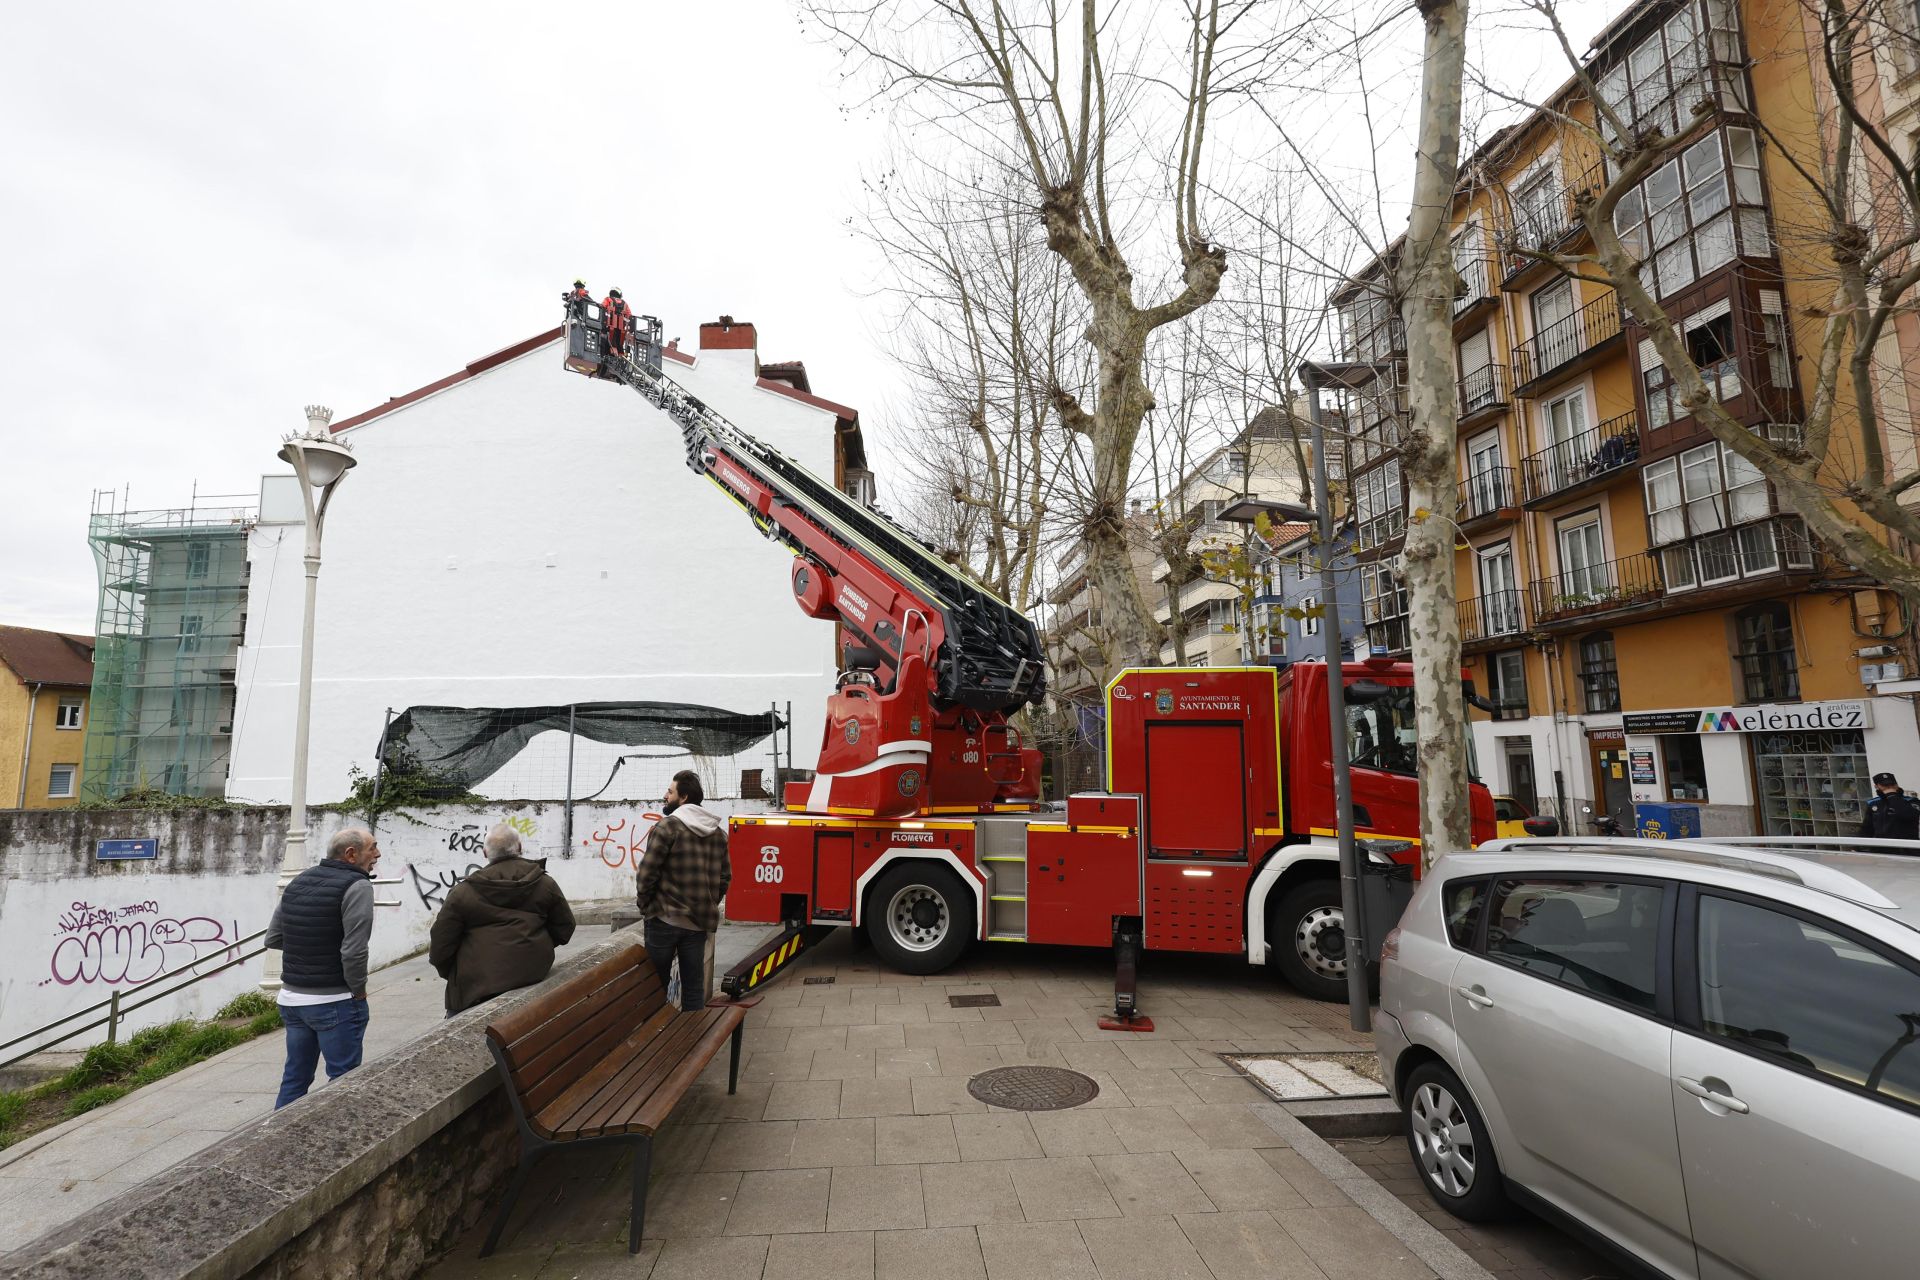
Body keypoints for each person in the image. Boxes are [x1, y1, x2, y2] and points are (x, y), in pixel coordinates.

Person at [265, 827, 379, 1109]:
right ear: (351, 854)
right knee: (344, 1081)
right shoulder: (358, 885)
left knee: (295, 1079)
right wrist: (358, 991)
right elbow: (353, 950)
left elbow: (274, 938)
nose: (377, 854)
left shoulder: (298, 882)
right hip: (334, 1001)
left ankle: (279, 1144)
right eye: (372, 848)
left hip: (291, 1000)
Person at [429, 824, 578, 1015]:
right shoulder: (544, 883)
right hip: (532, 973)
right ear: (520, 847)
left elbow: (440, 946)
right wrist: (533, 945)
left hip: (476, 989)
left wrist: (456, 972)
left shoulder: (463, 892)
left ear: (484, 853)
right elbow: (565, 927)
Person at [635, 770, 729, 1010]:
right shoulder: (718, 834)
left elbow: (647, 873)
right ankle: (694, 1040)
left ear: (683, 797)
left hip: (664, 921)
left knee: (655, 990)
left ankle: (657, 1041)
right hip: (697, 924)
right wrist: (706, 902)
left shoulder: (667, 828)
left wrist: (646, 907)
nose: (665, 796)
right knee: (694, 992)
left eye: (670, 791)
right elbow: (725, 877)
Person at [1860, 772, 1920, 840]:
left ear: (1897, 785)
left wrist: (1892, 795)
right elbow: (1867, 828)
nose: (1889, 787)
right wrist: (1857, 846)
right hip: (1881, 847)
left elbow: (1908, 815)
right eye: (1884, 785)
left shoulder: (1912, 801)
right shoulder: (1873, 803)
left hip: (1905, 847)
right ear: (1876, 787)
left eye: (1892, 784)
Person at [602, 287, 632, 355]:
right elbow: (629, 315)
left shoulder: (608, 299)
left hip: (608, 327)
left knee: (606, 342)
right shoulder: (625, 303)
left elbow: (603, 306)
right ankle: (621, 354)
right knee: (619, 345)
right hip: (621, 330)